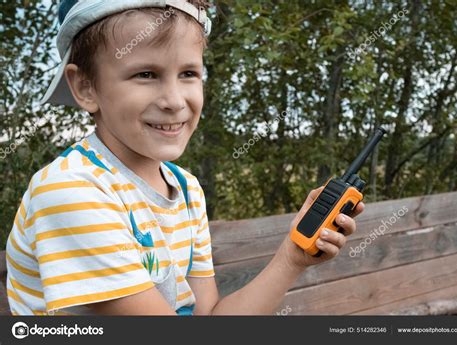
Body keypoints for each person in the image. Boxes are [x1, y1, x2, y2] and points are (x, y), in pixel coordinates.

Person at [6, 0, 363, 316]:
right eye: (146, 74)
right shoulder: (72, 191)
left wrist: (291, 258)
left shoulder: (186, 188)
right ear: (85, 87)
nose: (175, 100)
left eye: (189, 73)